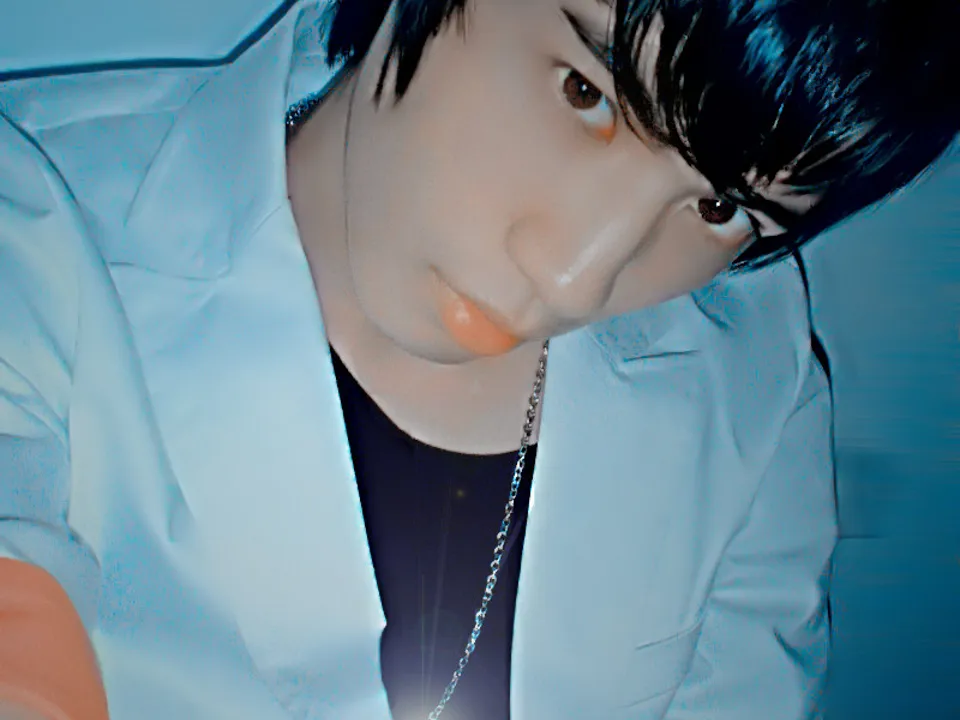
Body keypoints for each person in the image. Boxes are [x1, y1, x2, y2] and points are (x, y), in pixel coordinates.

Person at [0, 0, 956, 718]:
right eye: (583, 91)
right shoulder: (31, 212)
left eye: (719, 209)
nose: (578, 276)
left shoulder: (757, 371)